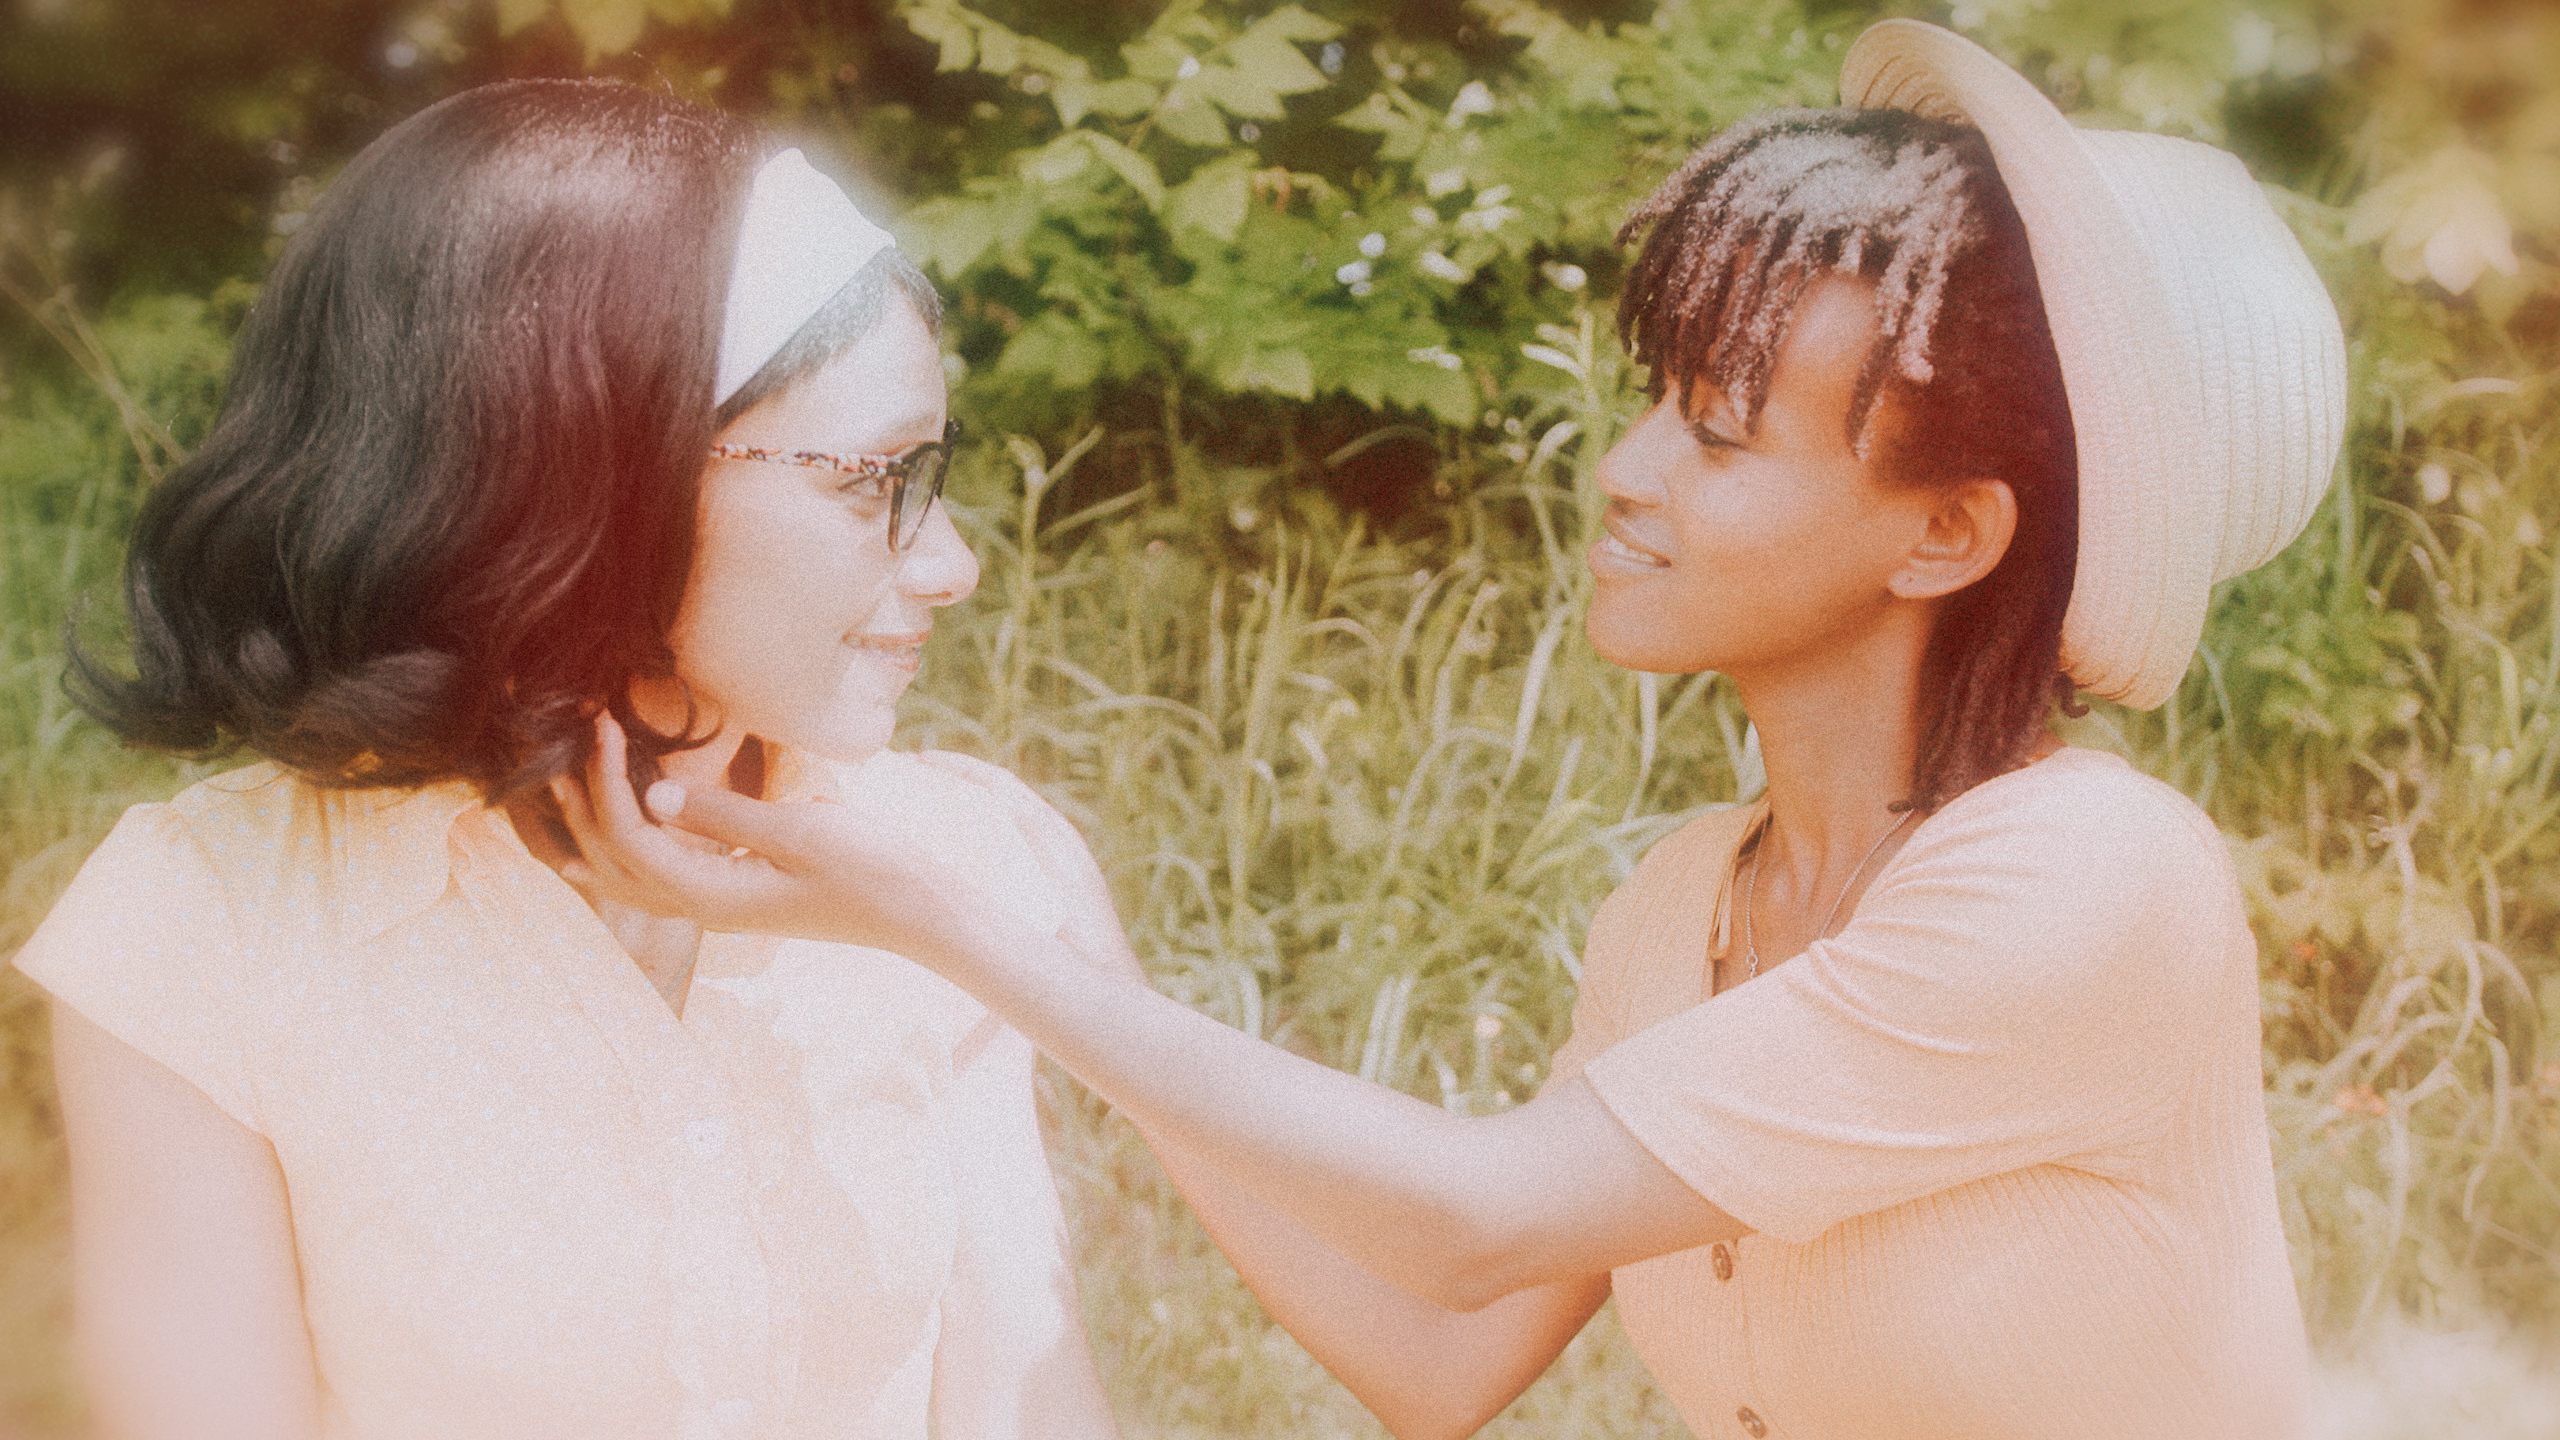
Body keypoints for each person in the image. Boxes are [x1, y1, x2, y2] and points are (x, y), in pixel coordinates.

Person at [554, 20, 2348, 1440]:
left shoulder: (2091, 881)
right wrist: (1071, 944)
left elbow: (1475, 1216)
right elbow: (1439, 1352)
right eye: (1654, 402)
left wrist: (951, 928)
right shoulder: (1687, 909)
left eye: (1720, 435)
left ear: (1947, 533)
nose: (1626, 471)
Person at [16, 80, 1119, 1440]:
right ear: (586, 472)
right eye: (866, 481)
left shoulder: (943, 874)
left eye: (928, 474)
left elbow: (1032, 1405)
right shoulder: (206, 929)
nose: (951, 566)